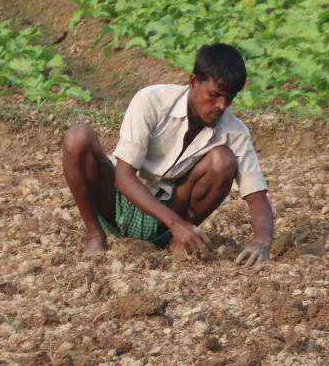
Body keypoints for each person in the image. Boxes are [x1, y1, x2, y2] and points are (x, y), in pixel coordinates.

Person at [61, 43, 273, 266]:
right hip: (117, 202)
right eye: (214, 95)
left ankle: (176, 240)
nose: (221, 106)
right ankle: (95, 235)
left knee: (223, 161)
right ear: (193, 81)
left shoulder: (234, 131)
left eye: (229, 99)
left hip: (170, 212)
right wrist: (175, 223)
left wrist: (263, 240)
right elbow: (123, 178)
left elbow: (257, 196)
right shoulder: (152, 101)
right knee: (78, 137)